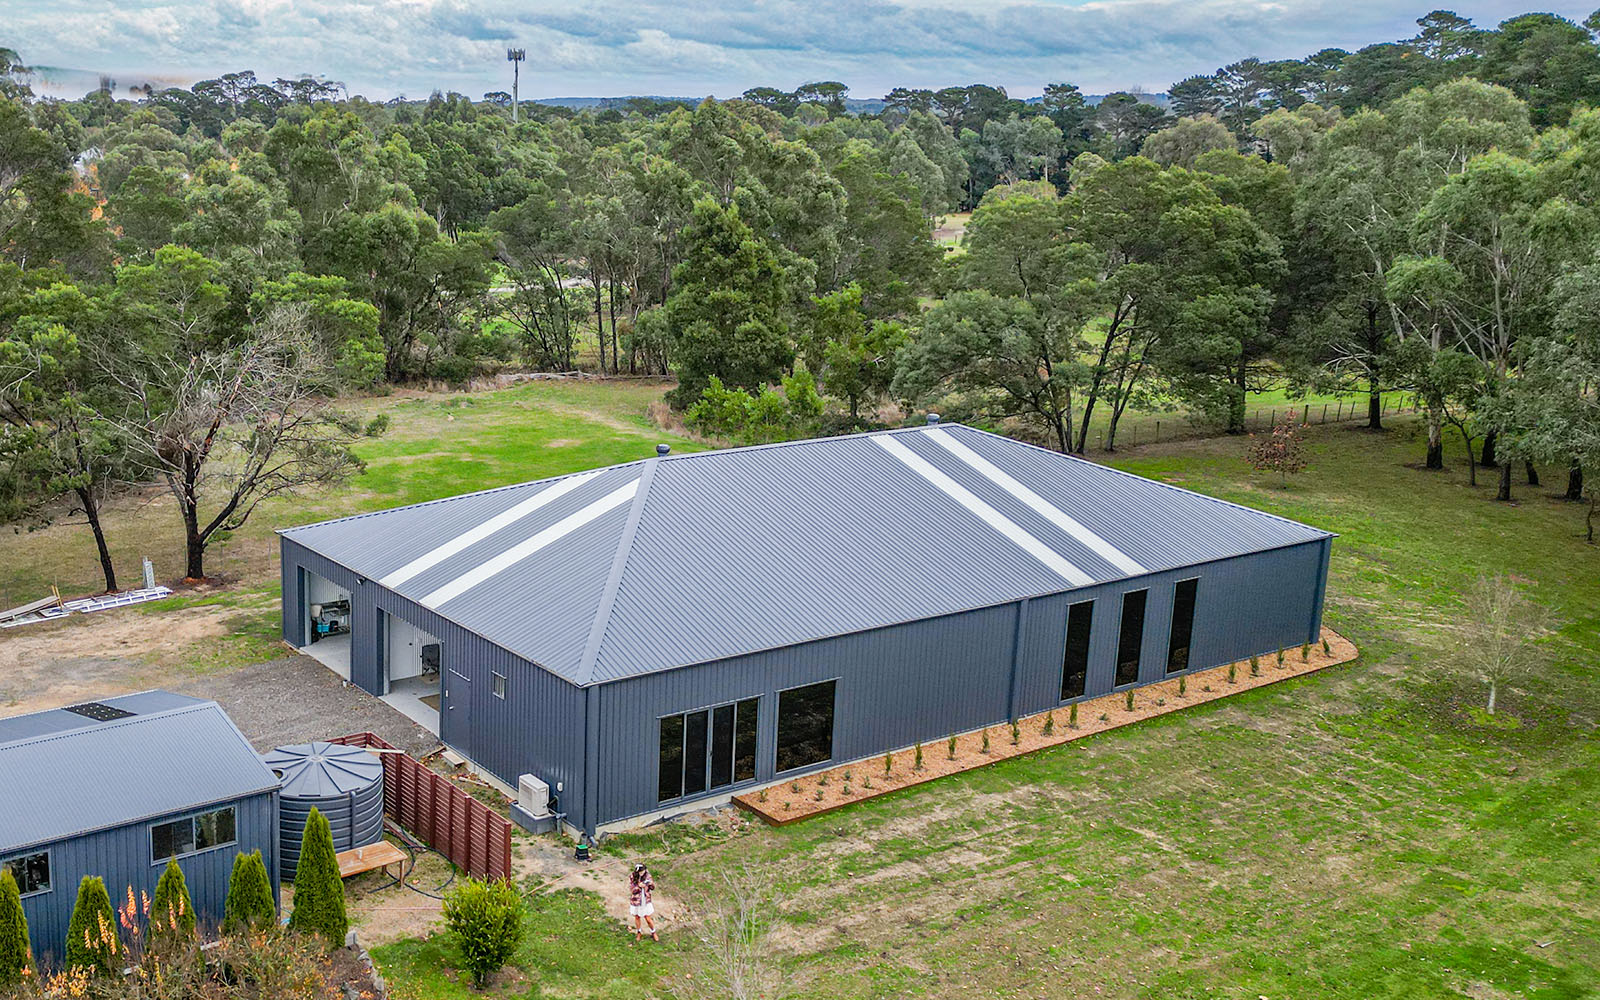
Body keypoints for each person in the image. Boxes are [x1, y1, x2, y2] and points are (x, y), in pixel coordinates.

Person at [628, 863, 658, 943]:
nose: (641, 873)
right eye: (639, 872)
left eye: (642, 871)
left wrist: (649, 884)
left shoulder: (648, 876)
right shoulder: (632, 876)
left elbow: (652, 887)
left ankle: (653, 931)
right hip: (636, 900)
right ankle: (639, 932)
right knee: (637, 917)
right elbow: (632, 890)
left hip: (645, 900)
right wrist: (639, 886)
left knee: (647, 918)